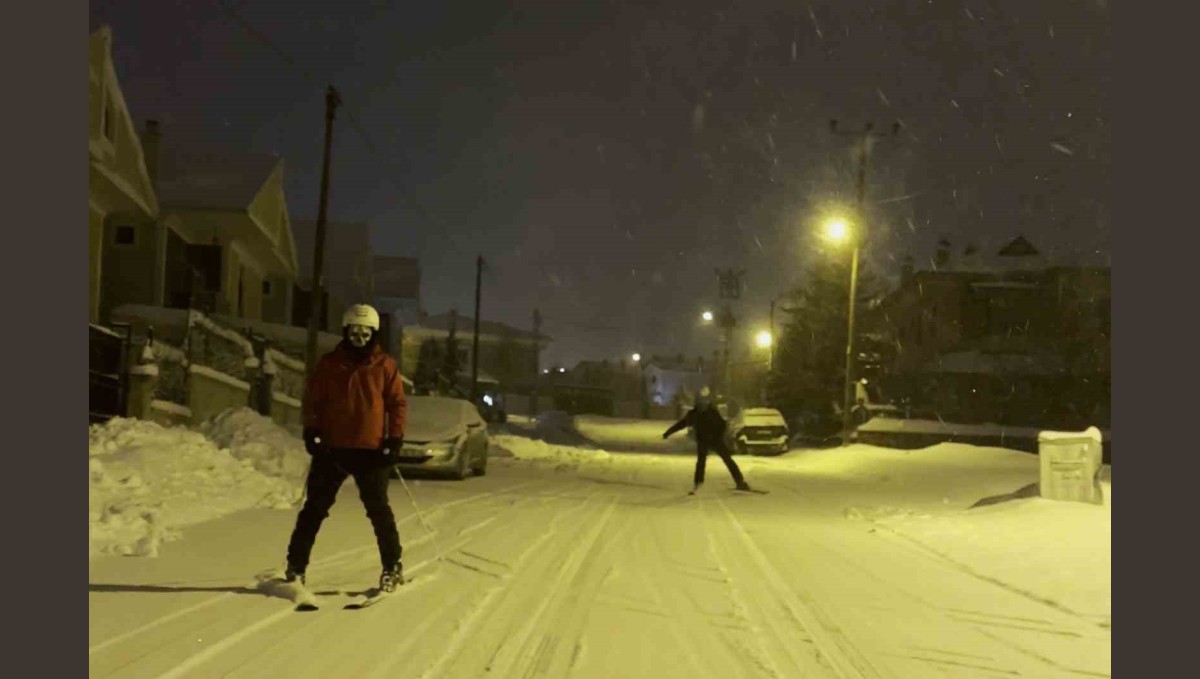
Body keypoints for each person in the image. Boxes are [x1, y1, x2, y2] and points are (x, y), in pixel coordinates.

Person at [283, 303, 409, 594]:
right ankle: (295, 567)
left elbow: (397, 404)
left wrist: (394, 439)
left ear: (374, 334)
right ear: (345, 332)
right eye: (354, 332)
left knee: (379, 512)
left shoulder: (385, 366)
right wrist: (312, 429)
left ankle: (392, 567)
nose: (359, 338)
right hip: (332, 450)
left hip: (371, 451)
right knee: (314, 510)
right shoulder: (330, 364)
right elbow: (314, 400)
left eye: (365, 333)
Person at [662, 387, 753, 494]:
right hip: (705, 441)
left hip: (715, 440)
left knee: (726, 460)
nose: (703, 405)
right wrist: (668, 433)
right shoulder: (695, 414)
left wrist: (720, 433)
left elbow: (721, 424)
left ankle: (739, 481)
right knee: (703, 462)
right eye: (701, 403)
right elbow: (681, 424)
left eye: (704, 403)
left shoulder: (710, 412)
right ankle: (698, 483)